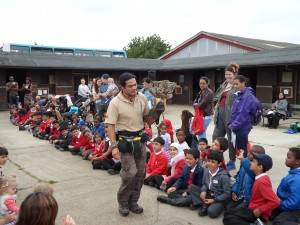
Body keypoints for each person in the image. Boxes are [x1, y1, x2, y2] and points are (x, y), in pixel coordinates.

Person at [105, 72, 156, 216]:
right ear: (122, 87)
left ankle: (133, 202)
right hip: (125, 142)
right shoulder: (115, 102)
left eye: (135, 85)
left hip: (140, 139)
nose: (134, 88)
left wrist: (157, 109)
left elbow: (149, 120)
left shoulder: (142, 97)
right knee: (130, 173)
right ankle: (123, 203)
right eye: (130, 86)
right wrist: (113, 146)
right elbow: (110, 126)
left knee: (140, 173)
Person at [223, 153, 280, 225]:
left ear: (259, 167)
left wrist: (259, 210)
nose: (250, 163)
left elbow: (275, 201)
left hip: (258, 213)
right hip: (252, 208)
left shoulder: (262, 181)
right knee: (228, 213)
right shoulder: (259, 177)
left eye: (253, 162)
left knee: (228, 219)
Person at [213, 62, 239, 171]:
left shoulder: (237, 85)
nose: (227, 76)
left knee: (231, 140)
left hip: (230, 117)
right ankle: (217, 159)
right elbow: (216, 97)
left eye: (229, 74)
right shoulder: (223, 85)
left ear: (235, 74)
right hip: (220, 114)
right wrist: (215, 104)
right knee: (216, 137)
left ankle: (232, 161)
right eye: (226, 74)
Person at [189, 151, 231, 218]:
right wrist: (203, 191)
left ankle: (203, 205)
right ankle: (205, 205)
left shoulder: (224, 177)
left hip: (218, 198)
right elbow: (204, 184)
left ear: (219, 163)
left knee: (212, 213)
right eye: (208, 161)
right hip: (208, 194)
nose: (210, 164)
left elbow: (227, 194)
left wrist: (214, 200)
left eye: (213, 162)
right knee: (192, 187)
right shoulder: (206, 171)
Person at [226, 145, 265, 210]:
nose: (248, 154)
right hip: (239, 194)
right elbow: (238, 179)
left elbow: (251, 172)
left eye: (251, 153)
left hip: (247, 199)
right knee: (228, 207)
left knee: (235, 212)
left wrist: (243, 160)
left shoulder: (258, 169)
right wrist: (234, 191)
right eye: (248, 152)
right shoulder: (244, 164)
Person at [228, 75, 257, 158]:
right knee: (241, 149)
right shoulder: (240, 95)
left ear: (243, 83)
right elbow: (235, 111)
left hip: (242, 127)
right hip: (238, 126)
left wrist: (233, 125)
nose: (235, 86)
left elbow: (243, 114)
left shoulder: (247, 96)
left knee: (242, 151)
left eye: (236, 84)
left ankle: (244, 169)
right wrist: (230, 122)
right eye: (234, 84)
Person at [273, 147, 300, 225]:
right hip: (286, 204)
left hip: (295, 209)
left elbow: (294, 203)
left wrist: (278, 203)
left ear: (297, 161)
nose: (286, 159)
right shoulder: (293, 174)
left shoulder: (297, 179)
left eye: (289, 158)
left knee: (279, 222)